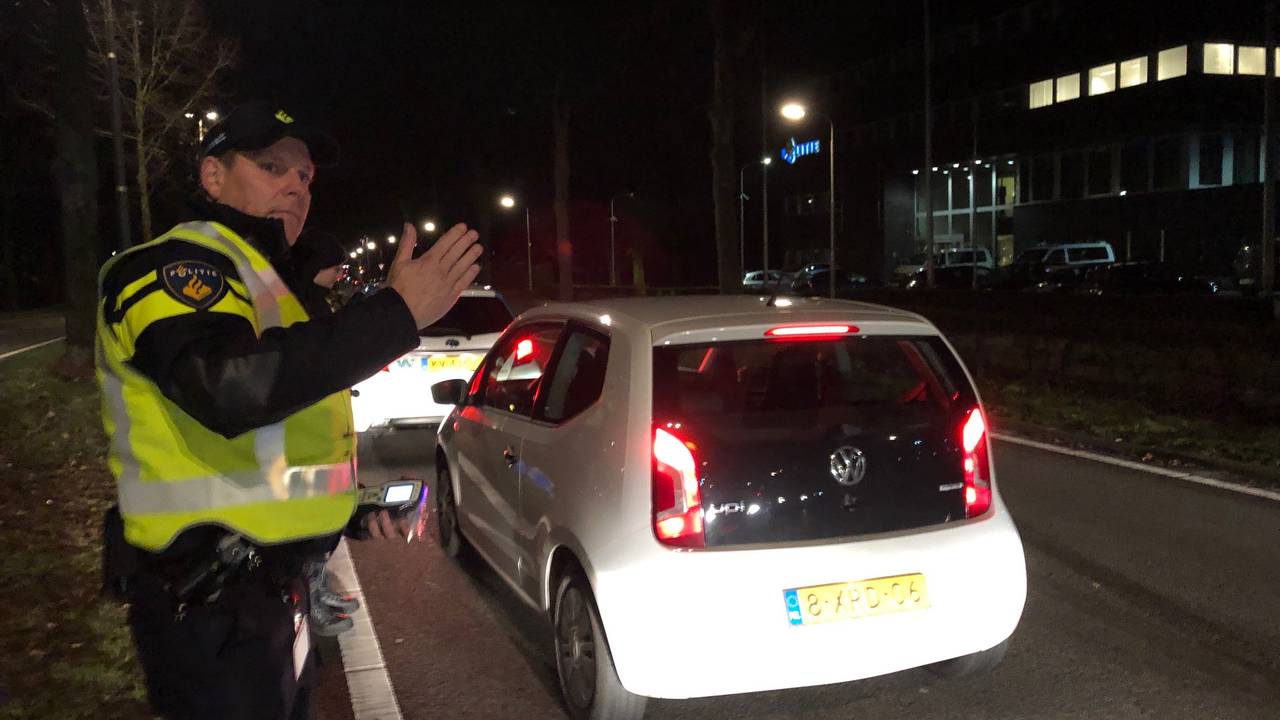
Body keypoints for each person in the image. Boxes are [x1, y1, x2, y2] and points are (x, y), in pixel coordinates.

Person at [96, 101, 482, 719]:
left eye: (304, 177)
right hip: (210, 606)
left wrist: (348, 512)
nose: (295, 187)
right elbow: (228, 388)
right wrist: (395, 315)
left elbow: (272, 447)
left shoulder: (272, 285)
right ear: (213, 176)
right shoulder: (176, 267)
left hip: (272, 596)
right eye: (272, 165)